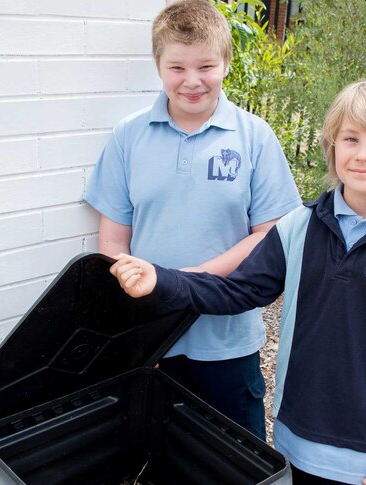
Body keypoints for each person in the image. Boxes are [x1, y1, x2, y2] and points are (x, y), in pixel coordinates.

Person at [110, 79, 366, 485]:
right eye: (351, 139)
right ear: (333, 145)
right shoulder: (300, 227)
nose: (363, 155)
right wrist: (162, 280)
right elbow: (237, 290)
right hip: (295, 440)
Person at [82, 0, 301, 441]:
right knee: (163, 455)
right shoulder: (129, 136)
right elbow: (112, 243)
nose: (192, 80)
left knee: (236, 458)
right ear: (158, 65)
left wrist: (182, 283)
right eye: (177, 67)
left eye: (206, 65)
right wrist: (141, 317)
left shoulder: (255, 137)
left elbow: (269, 236)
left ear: (226, 63)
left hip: (227, 340)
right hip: (150, 340)